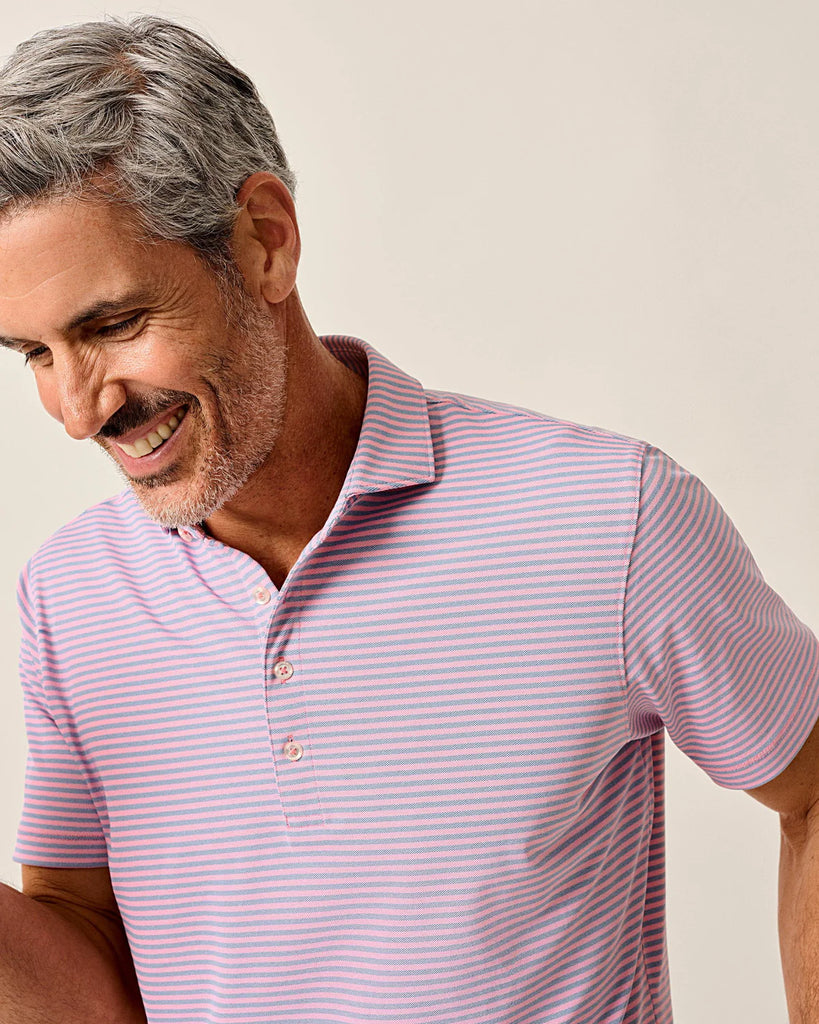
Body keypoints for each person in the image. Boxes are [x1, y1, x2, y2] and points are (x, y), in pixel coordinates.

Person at [0, 14, 816, 1024]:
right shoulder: (70, 597)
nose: (78, 410)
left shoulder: (609, 520)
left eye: (114, 324)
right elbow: (89, 955)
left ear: (264, 241)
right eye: (35, 355)